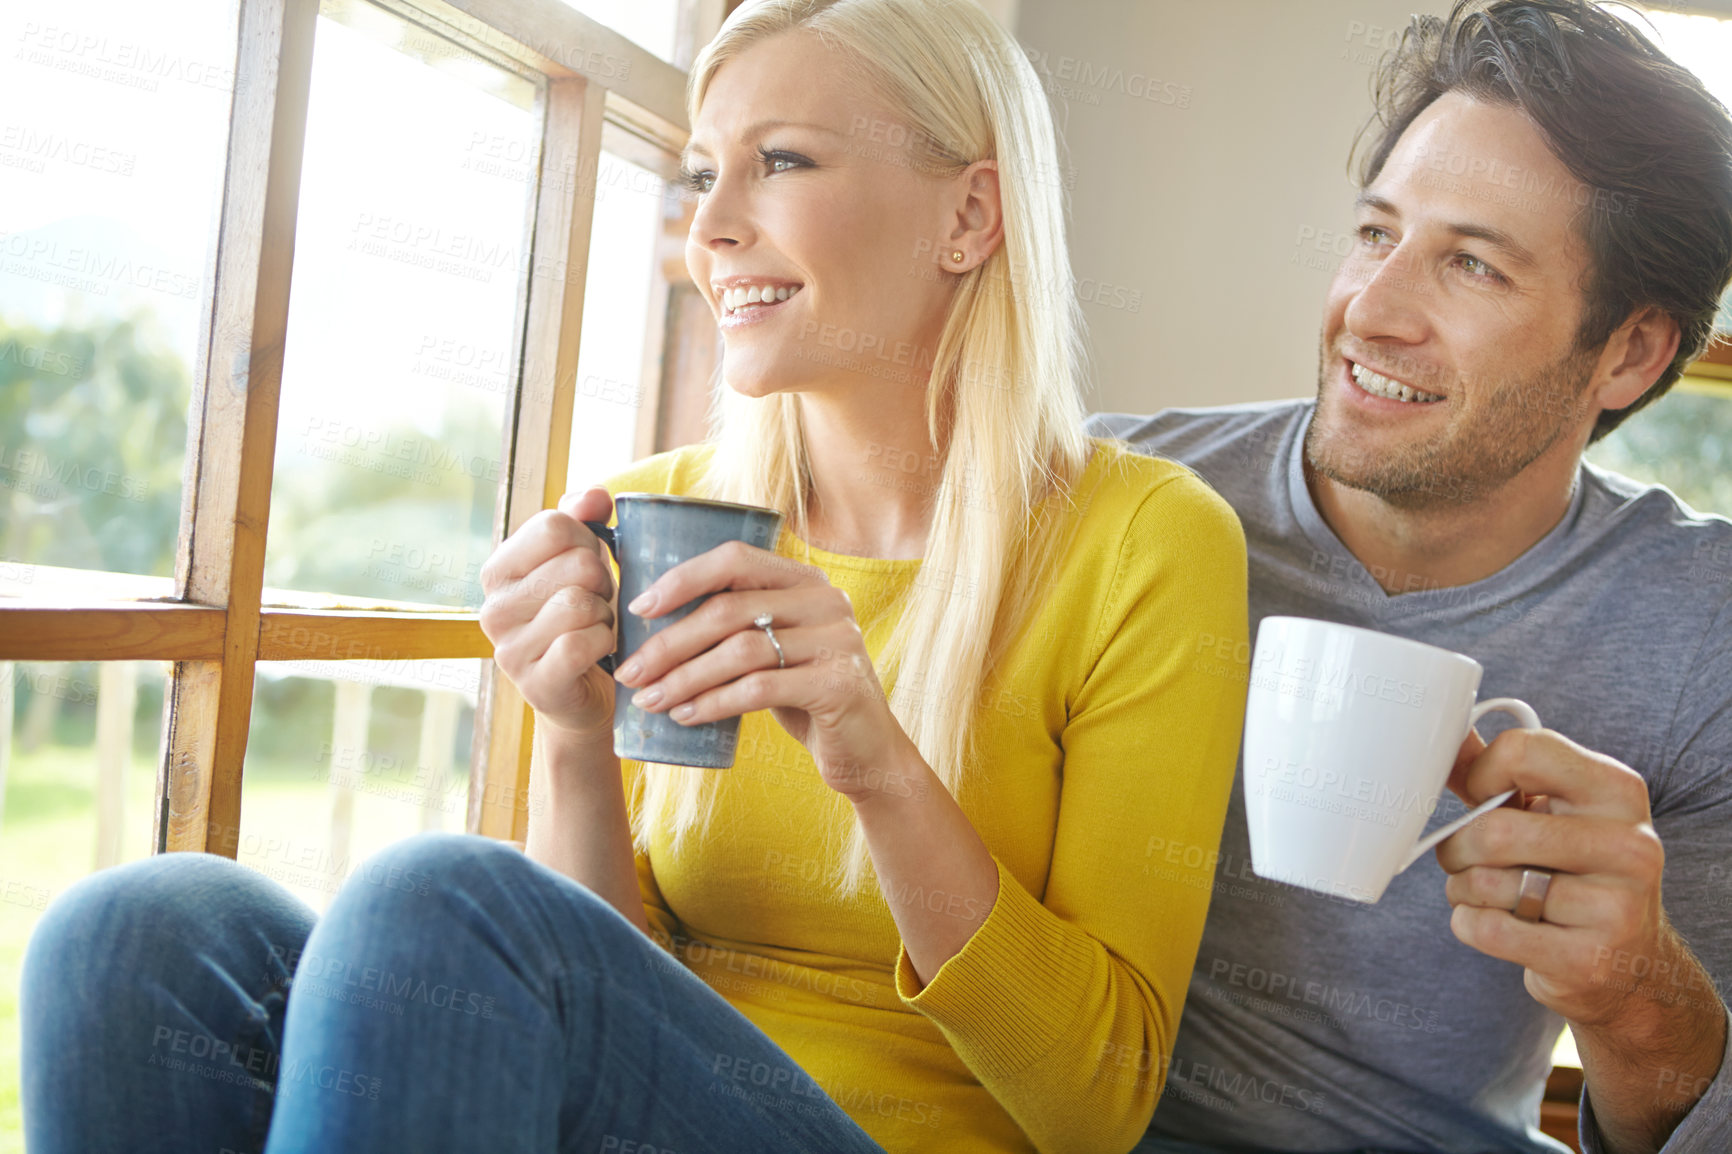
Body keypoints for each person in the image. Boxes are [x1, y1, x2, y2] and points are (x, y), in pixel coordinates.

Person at [21, 1, 1250, 1151]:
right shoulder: (677, 506)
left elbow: (1098, 1103)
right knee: (136, 932)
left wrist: (874, 762)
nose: (709, 227)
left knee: (441, 892)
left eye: (784, 161)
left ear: (969, 217)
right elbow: (594, 971)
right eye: (702, 172)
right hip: (648, 1097)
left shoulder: (1144, 540)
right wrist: (572, 730)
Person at [1088, 2, 1732, 1151]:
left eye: (1472, 265)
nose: (1370, 313)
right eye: (1377, 234)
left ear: (1629, 352)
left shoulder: (1703, 628)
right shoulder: (1109, 495)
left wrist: (1635, 997)